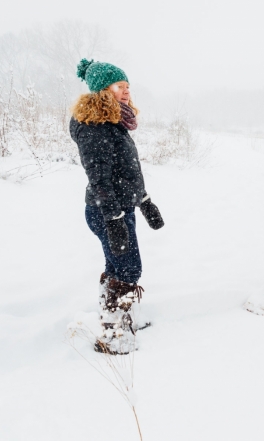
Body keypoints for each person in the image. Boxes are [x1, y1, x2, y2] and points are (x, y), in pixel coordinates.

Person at [69, 58, 164, 354]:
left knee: (117, 265)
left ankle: (119, 318)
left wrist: (145, 201)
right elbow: (99, 178)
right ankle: (114, 335)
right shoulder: (94, 126)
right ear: (102, 89)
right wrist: (113, 219)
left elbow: (125, 172)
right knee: (129, 268)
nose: (126, 91)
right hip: (108, 211)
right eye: (119, 86)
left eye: (127, 86)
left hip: (120, 208)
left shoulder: (113, 123)